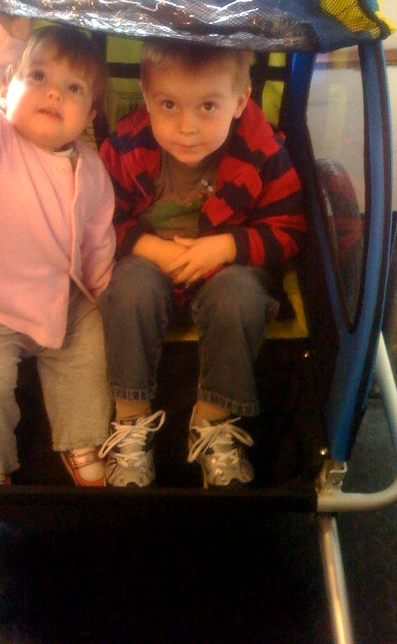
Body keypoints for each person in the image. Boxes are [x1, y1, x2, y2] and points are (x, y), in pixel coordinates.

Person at [97, 37, 306, 488]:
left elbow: (289, 230)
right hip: (150, 263)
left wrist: (226, 247)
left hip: (225, 266)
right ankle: (131, 422)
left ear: (241, 101)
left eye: (207, 107)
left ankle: (213, 423)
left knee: (240, 297)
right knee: (127, 288)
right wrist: (153, 248)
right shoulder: (127, 145)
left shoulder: (263, 150)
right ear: (147, 98)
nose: (186, 126)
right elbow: (97, 221)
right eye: (168, 105)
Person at [0, 13, 115, 486]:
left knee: (88, 352)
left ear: (90, 115)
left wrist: (100, 287)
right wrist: (5, 34)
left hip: (60, 297)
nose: (55, 93)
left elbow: (97, 234)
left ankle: (81, 440)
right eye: (38, 77)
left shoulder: (90, 166)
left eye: (75, 89)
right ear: (3, 89)